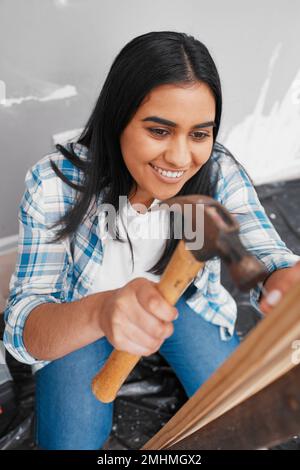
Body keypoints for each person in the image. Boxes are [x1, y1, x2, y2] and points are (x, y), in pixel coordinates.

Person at [3, 31, 300, 450]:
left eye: (199, 134)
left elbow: (268, 256)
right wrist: (103, 311)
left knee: (239, 418)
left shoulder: (218, 172)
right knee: (70, 443)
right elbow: (22, 328)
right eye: (159, 131)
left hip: (182, 302)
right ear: (117, 118)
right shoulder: (54, 183)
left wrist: (285, 280)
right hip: (82, 312)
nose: (181, 159)